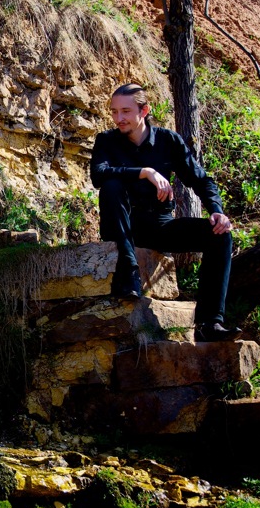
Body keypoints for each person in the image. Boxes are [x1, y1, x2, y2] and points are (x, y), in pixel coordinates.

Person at [89, 83, 241, 342]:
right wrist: (146, 172)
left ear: (144, 110)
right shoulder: (107, 141)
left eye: (125, 111)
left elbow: (202, 180)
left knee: (219, 235)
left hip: (159, 226)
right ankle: (128, 271)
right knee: (111, 187)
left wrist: (217, 211)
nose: (119, 118)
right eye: (114, 112)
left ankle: (210, 323)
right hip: (123, 226)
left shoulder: (168, 141)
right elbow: (98, 175)